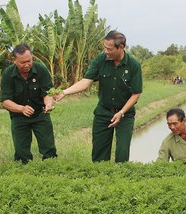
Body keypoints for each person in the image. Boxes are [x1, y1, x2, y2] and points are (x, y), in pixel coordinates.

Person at [55, 30, 142, 162]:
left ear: (121, 47)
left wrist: (122, 113)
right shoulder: (101, 60)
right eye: (104, 48)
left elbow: (136, 94)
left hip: (125, 114)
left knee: (122, 153)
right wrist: (64, 92)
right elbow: (85, 82)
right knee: (99, 155)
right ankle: (100, 180)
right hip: (103, 112)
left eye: (109, 49)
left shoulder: (133, 64)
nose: (106, 51)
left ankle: (121, 180)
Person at [0, 43, 57, 164]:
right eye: (22, 62)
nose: (27, 65)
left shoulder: (41, 69)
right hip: (19, 117)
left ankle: (50, 170)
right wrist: (21, 109)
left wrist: (48, 104)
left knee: (49, 150)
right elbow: (5, 100)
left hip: (41, 114)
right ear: (14, 60)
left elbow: (48, 92)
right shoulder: (8, 74)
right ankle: (25, 173)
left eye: (29, 61)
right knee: (21, 154)